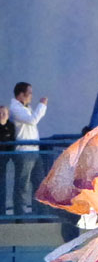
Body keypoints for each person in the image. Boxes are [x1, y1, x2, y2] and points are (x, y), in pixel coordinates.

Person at [9, 82, 48, 216]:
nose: (32, 96)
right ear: (21, 95)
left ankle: (40, 212)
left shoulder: (26, 107)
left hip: (34, 150)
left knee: (39, 183)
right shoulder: (15, 108)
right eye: (29, 93)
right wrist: (42, 105)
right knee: (23, 184)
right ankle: (21, 214)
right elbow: (32, 120)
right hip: (24, 151)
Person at [0, 106, 15, 216]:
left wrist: (9, 156)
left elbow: (12, 141)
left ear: (8, 115)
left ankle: (2, 212)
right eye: (0, 113)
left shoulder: (10, 126)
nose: (1, 115)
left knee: (2, 186)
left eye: (4, 113)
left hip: (4, 161)